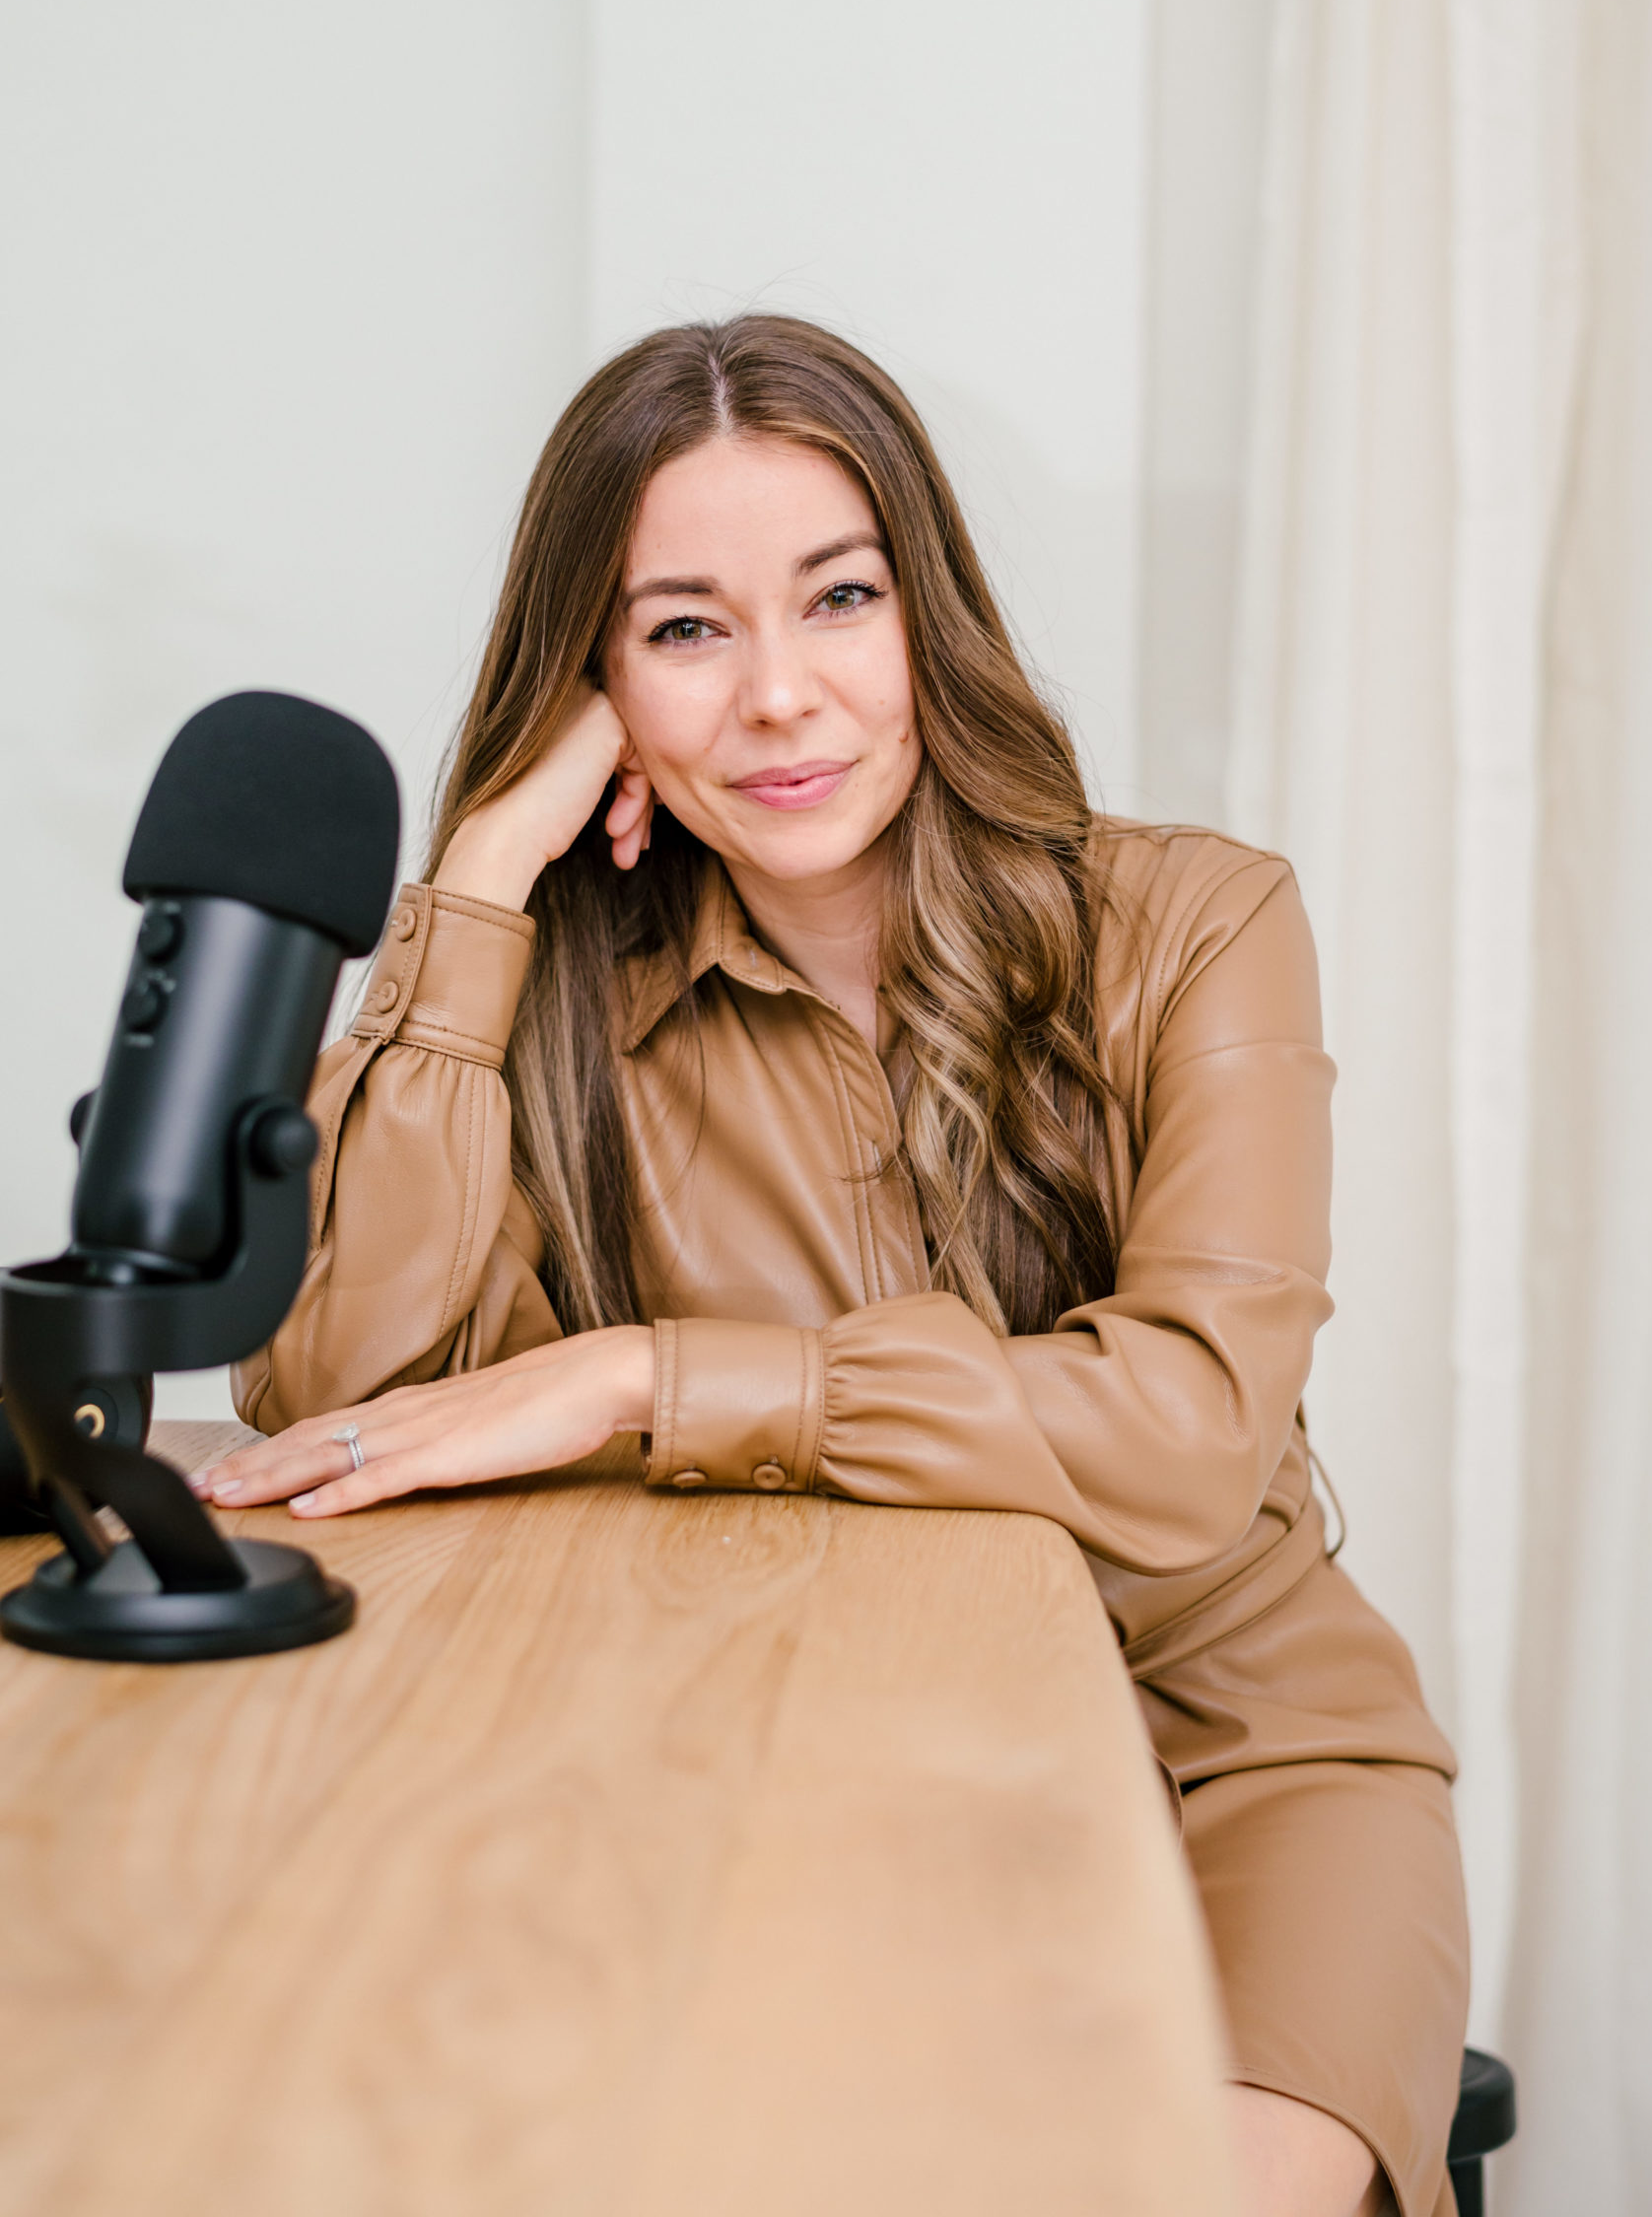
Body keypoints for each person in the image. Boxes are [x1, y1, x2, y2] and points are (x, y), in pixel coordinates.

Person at [195, 315, 1469, 2217]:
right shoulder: (558, 993)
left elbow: (1192, 1433)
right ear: (597, 679)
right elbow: (337, 1403)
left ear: (926, 617)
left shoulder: (1198, 924)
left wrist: (645, 1374)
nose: (780, 696)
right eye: (686, 628)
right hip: (786, 1779)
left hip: (1234, 1762)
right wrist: (472, 892)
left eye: (839, 599)